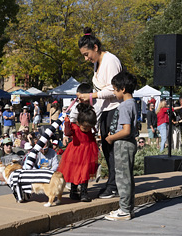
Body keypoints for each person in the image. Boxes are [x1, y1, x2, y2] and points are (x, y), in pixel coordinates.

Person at [77, 27, 122, 199]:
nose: (86, 58)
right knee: (107, 148)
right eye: (84, 55)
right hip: (105, 110)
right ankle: (112, 183)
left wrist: (92, 95)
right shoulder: (97, 62)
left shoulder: (110, 61)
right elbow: (100, 91)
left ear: (95, 47)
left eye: (87, 54)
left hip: (115, 109)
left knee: (111, 148)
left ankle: (114, 185)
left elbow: (115, 89)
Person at [104, 70, 137, 221]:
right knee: (128, 176)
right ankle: (128, 207)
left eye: (115, 90)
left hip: (123, 144)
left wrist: (111, 138)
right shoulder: (133, 103)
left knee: (122, 177)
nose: (114, 93)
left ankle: (124, 210)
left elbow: (126, 130)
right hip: (129, 144)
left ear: (122, 89)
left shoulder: (124, 106)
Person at [57, 103, 98, 202]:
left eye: (89, 127)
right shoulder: (74, 127)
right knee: (74, 171)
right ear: (79, 123)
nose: (87, 129)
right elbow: (67, 133)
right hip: (76, 152)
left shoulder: (89, 127)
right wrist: (66, 123)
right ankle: (73, 191)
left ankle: (84, 191)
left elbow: (92, 136)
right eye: (85, 128)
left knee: (85, 172)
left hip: (88, 151)